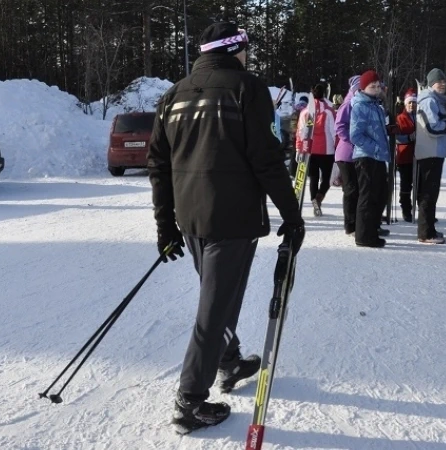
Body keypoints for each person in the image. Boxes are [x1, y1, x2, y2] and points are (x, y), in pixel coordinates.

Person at [147, 21, 305, 434]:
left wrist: (166, 227)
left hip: (191, 218)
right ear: (237, 49)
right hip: (232, 219)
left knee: (217, 296)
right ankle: (189, 402)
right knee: (216, 308)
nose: (248, 56)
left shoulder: (173, 94)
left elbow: (157, 167)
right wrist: (292, 214)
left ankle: (230, 361)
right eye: (246, 50)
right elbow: (267, 159)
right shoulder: (246, 88)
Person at [415, 68, 446, 244]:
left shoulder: (437, 101)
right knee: (428, 193)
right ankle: (425, 233)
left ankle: (429, 228)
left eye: (444, 81)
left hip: (435, 152)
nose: (442, 84)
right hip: (429, 152)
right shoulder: (428, 101)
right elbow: (432, 127)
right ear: (431, 83)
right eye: (439, 81)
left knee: (431, 192)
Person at [350, 70, 391, 248]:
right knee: (368, 196)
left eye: (377, 86)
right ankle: (364, 236)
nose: (375, 89)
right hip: (366, 157)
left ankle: (372, 230)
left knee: (380, 195)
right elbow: (355, 135)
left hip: (378, 157)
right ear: (363, 88)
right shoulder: (360, 106)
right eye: (371, 86)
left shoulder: (376, 105)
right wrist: (375, 148)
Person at [295, 84, 336, 217]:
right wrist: (337, 146)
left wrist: (298, 148)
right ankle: (318, 198)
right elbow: (333, 131)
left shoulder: (305, 111)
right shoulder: (329, 111)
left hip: (309, 149)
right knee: (327, 178)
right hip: (326, 149)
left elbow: (300, 132)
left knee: (313, 177)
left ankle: (314, 200)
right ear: (324, 95)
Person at [335, 75, 361, 235]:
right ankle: (350, 225)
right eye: (358, 88)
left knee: (358, 189)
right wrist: (353, 140)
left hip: (358, 154)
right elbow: (340, 126)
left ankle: (358, 222)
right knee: (351, 190)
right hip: (346, 154)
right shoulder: (347, 104)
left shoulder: (360, 103)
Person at [392, 90, 417, 222]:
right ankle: (406, 209)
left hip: (418, 155)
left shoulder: (419, 116)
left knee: (418, 184)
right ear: (405, 104)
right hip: (404, 156)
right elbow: (395, 137)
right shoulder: (400, 118)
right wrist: (409, 137)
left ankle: (423, 211)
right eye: (410, 102)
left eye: (414, 102)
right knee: (406, 185)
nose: (412, 105)